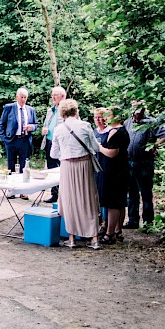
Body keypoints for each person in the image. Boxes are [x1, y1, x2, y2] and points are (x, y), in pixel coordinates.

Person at [49, 99, 102, 249]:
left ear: (62, 113)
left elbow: (53, 154)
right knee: (89, 199)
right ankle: (94, 239)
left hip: (67, 167)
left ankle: (71, 238)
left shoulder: (59, 129)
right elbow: (95, 148)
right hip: (84, 165)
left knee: (69, 201)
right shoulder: (85, 126)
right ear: (76, 110)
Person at [123, 101, 165, 229]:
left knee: (145, 193)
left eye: (139, 111)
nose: (137, 114)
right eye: (135, 111)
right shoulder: (128, 122)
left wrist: (155, 145)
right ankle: (133, 220)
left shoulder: (151, 122)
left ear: (144, 110)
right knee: (131, 193)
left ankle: (148, 223)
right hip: (129, 162)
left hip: (144, 162)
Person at [95, 107, 130, 244]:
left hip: (113, 171)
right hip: (119, 169)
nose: (105, 118)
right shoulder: (121, 130)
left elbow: (112, 153)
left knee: (113, 202)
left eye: (108, 116)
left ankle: (110, 234)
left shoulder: (116, 132)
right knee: (117, 202)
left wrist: (99, 147)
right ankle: (115, 231)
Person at [0, 87, 37, 199]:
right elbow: (2, 124)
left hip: (25, 140)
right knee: (11, 165)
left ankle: (23, 191)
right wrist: (3, 138)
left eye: (25, 97)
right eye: (21, 97)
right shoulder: (9, 107)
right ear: (17, 97)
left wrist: (31, 127)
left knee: (24, 167)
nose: (23, 100)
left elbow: (35, 124)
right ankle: (11, 190)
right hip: (11, 140)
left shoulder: (30, 110)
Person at [39, 86, 66, 203]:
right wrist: (44, 130)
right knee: (51, 169)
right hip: (49, 142)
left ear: (63, 96)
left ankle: (63, 195)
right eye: (52, 95)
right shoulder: (50, 110)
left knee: (61, 169)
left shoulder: (67, 109)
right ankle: (54, 194)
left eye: (55, 95)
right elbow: (45, 125)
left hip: (61, 144)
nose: (53, 97)